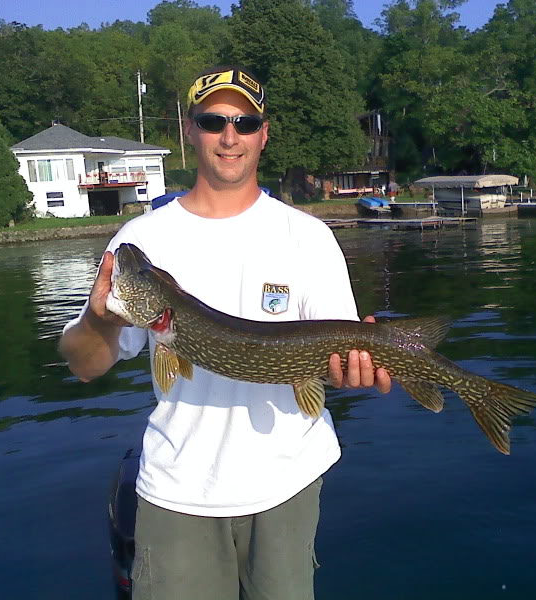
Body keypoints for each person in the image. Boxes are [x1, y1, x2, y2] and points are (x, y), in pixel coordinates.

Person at [58, 65, 391, 600]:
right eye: (213, 121)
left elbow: (331, 359)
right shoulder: (141, 239)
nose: (229, 136)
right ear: (190, 131)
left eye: (245, 122)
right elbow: (83, 365)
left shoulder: (307, 236)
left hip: (287, 482)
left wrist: (352, 371)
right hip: (177, 490)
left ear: (263, 133)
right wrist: (99, 320)